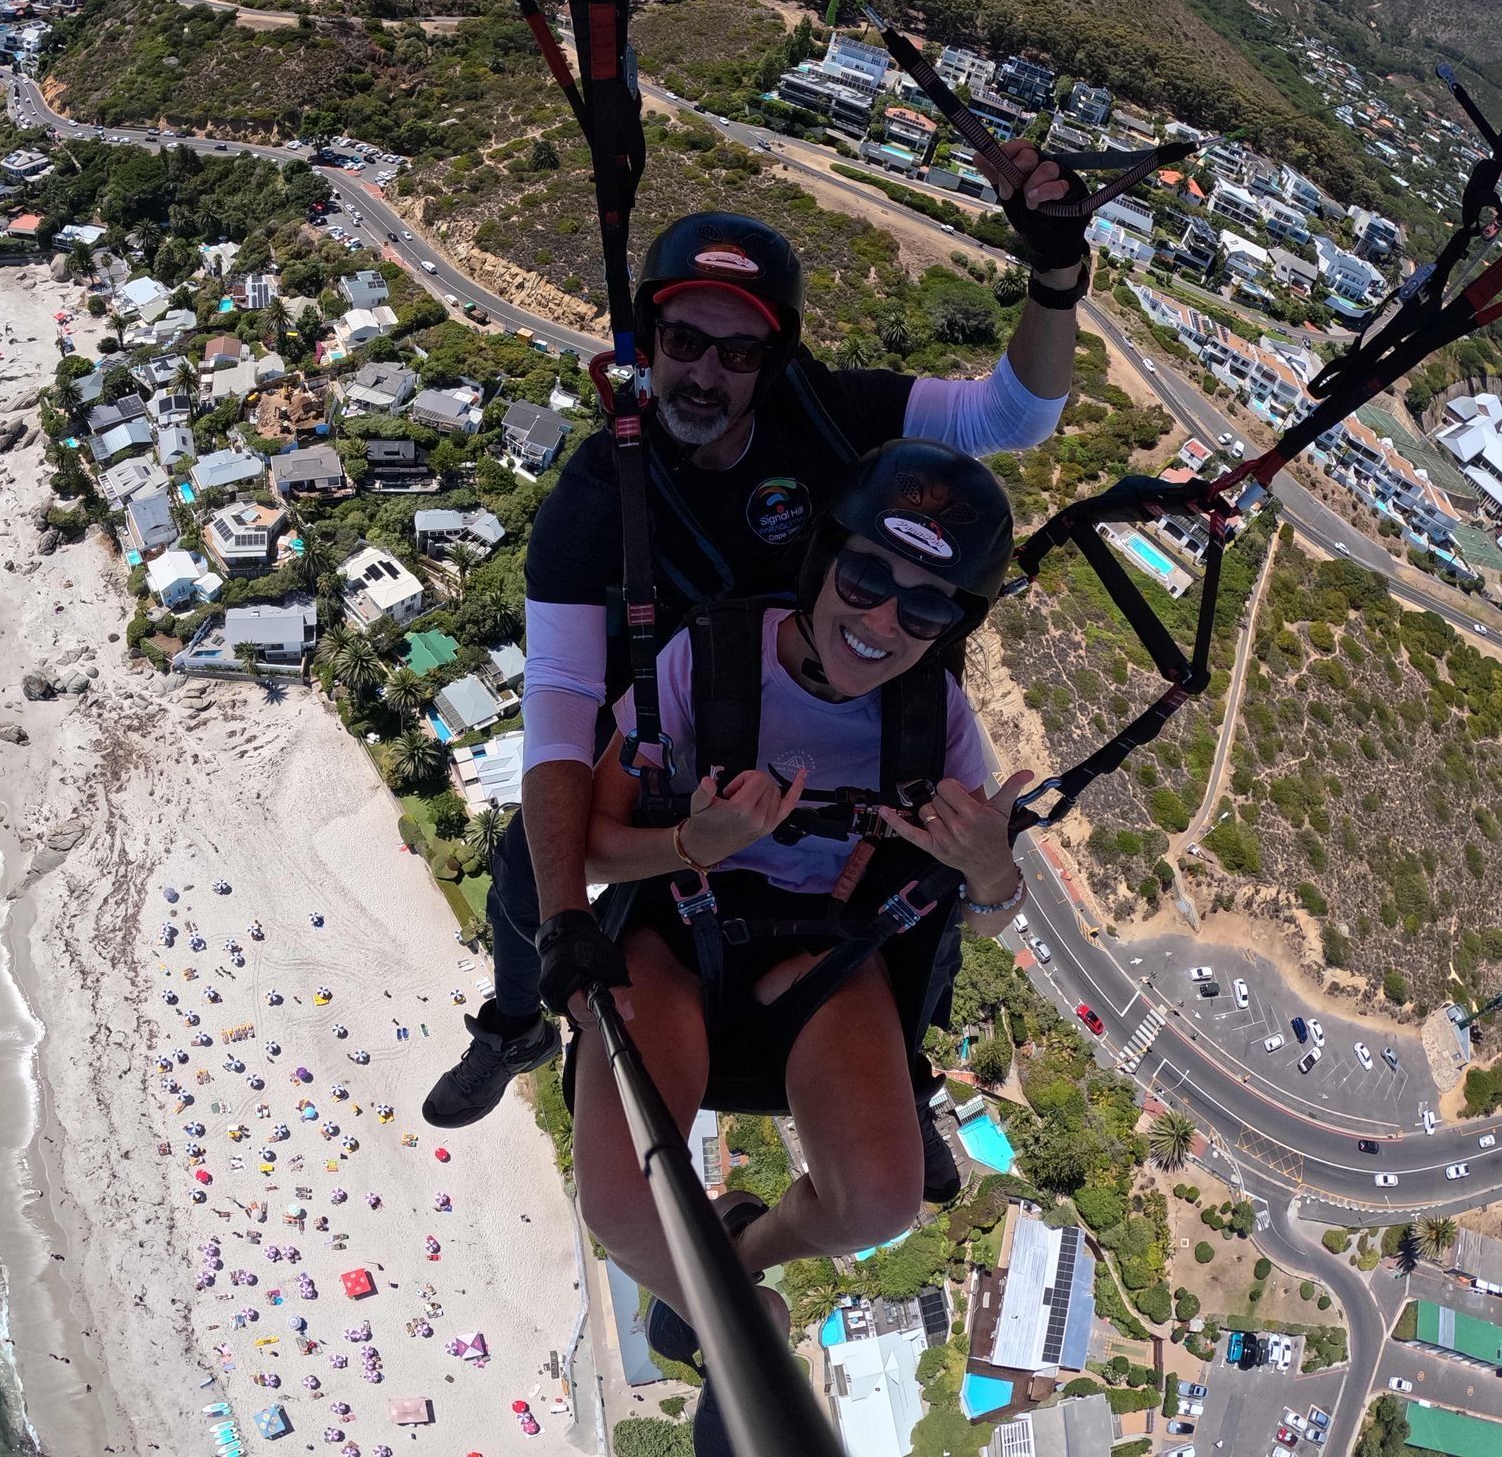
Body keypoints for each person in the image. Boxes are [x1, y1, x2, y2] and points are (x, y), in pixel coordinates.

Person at [421, 143, 1088, 1130]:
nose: (704, 373)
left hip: (837, 689)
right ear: (648, 341)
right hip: (678, 714)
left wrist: (1055, 274)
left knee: (923, 867)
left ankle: (898, 1071)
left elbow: (1013, 414)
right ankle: (516, 1022)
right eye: (683, 341)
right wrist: (564, 915)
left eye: (737, 354)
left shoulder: (827, 416)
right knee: (530, 856)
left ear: (771, 363)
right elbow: (559, 696)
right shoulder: (598, 497)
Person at [569, 440, 1030, 1454]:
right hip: (675, 928)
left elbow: (981, 918)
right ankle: (752, 1314)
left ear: (952, 626)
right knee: (619, 1200)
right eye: (866, 579)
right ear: (823, 562)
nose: (881, 623)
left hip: (825, 952)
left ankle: (743, 1254)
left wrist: (991, 872)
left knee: (878, 1204)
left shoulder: (933, 716)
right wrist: (691, 843)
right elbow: (589, 845)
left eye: (925, 609)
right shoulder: (708, 659)